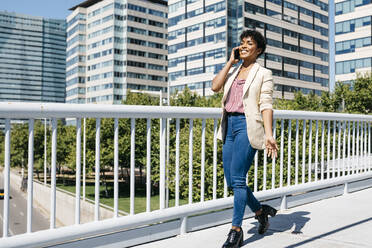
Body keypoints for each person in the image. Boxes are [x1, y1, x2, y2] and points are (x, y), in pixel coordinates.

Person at [212, 29, 279, 248]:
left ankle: (236, 231)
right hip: (228, 126)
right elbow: (214, 87)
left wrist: (269, 135)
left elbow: (266, 105)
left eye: (248, 43)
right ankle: (260, 212)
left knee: (239, 180)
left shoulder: (263, 73)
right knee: (232, 181)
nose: (243, 46)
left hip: (247, 127)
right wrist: (230, 62)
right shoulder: (233, 70)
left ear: (258, 49)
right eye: (242, 42)